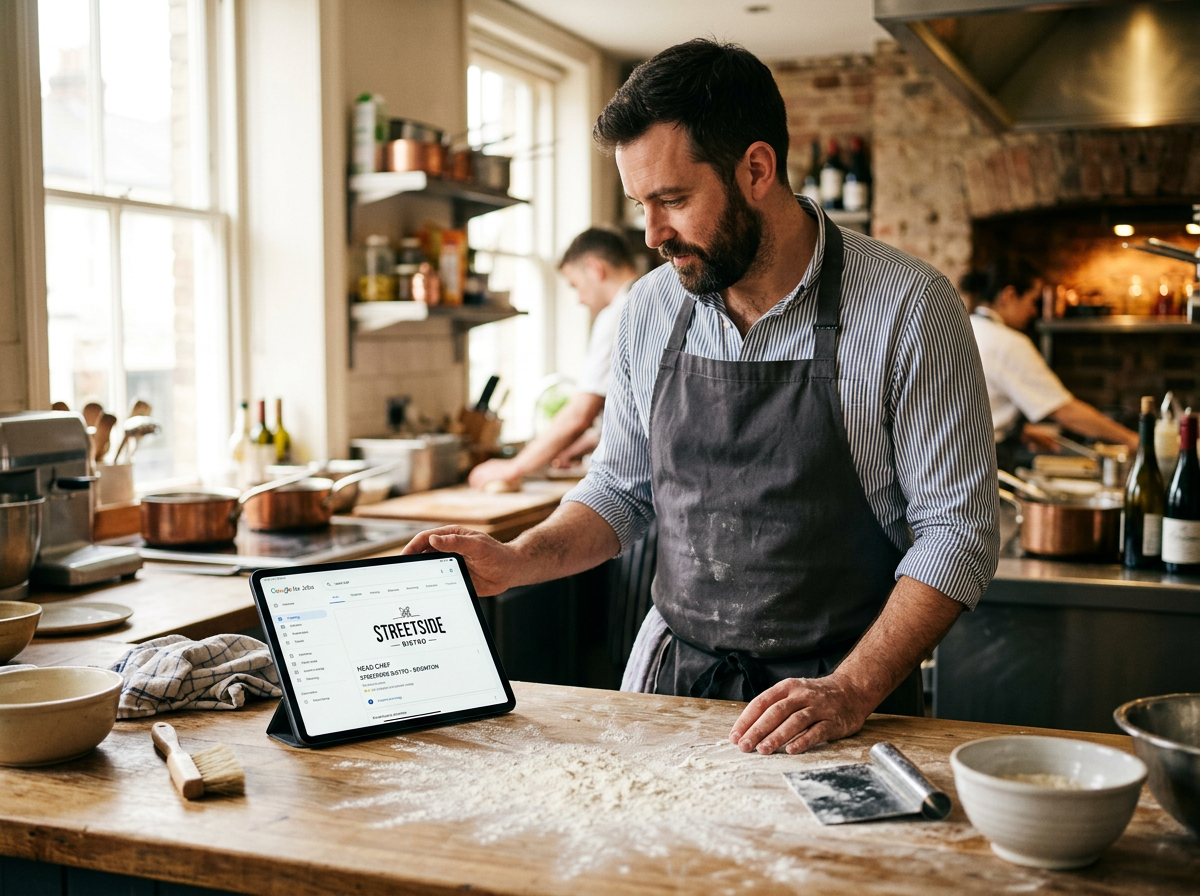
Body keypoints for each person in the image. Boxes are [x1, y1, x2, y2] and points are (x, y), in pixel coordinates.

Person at [406, 39, 998, 756]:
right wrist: (522, 557)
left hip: (841, 701)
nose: (653, 235)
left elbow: (957, 534)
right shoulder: (647, 311)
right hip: (671, 684)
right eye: (640, 205)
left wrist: (850, 690)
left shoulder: (910, 306)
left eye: (673, 200)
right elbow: (622, 492)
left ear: (756, 169)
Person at [469, 229, 639, 488]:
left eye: (575, 285)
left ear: (596, 269)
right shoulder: (651, 301)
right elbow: (642, 411)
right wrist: (588, 443)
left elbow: (581, 413)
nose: (579, 299)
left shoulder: (619, 314)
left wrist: (514, 467)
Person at [965, 263, 1138, 470]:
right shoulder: (1007, 342)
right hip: (981, 463)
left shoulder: (968, 327)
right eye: (1033, 301)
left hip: (955, 459)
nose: (1034, 311)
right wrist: (1130, 439)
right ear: (1009, 295)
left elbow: (976, 405)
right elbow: (1065, 410)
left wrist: (1018, 431)